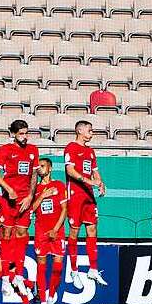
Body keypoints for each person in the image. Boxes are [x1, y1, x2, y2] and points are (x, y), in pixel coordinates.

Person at [0, 119, 39, 301]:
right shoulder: (5, 150)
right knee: (6, 235)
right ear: (13, 134)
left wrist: (30, 196)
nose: (24, 137)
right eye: (21, 134)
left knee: (21, 235)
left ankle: (19, 276)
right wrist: (9, 189)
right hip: (9, 200)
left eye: (26, 133)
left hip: (25, 201)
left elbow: (34, 175)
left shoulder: (33, 150)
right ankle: (5, 278)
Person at [64, 119, 107, 288]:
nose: (92, 133)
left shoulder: (90, 151)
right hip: (75, 195)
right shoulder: (71, 148)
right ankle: (74, 270)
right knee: (74, 232)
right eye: (90, 130)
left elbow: (95, 173)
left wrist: (100, 183)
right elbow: (70, 170)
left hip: (89, 196)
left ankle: (93, 269)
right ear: (80, 130)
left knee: (92, 229)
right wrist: (88, 180)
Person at [31, 159, 66, 304]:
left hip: (57, 231)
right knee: (41, 267)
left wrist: (56, 229)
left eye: (42, 166)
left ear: (50, 168)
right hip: (40, 231)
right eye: (38, 167)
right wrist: (43, 195)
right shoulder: (36, 188)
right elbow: (31, 208)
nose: (39, 169)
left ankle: (52, 299)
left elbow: (65, 209)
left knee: (58, 267)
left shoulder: (59, 185)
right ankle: (43, 303)